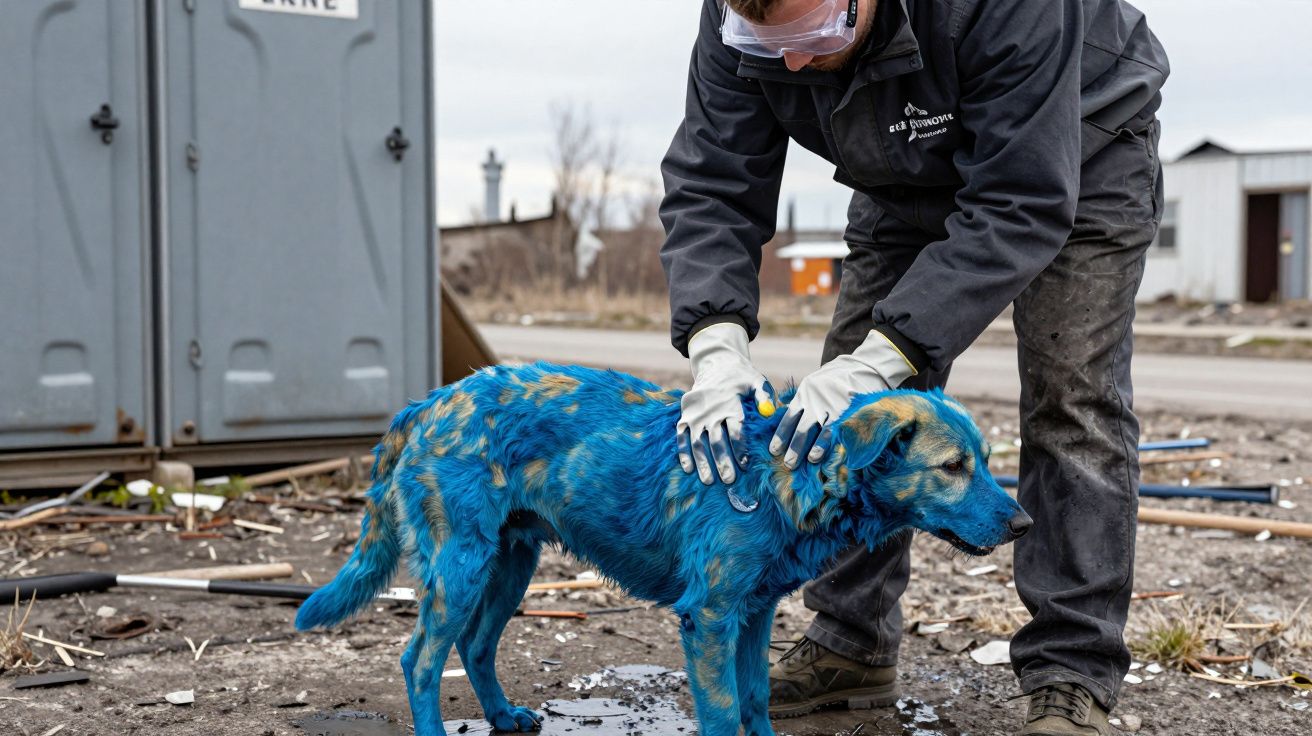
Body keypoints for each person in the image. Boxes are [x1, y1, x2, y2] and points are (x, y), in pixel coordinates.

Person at [658, 0, 1168, 733]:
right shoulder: (739, 16)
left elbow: (1020, 201)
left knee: (1071, 399)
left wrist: (886, 356)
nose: (795, 66)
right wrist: (714, 344)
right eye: (774, 48)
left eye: (811, 39)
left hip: (1075, 146)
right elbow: (712, 182)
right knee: (853, 416)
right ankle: (850, 641)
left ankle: (1072, 671)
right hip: (899, 167)